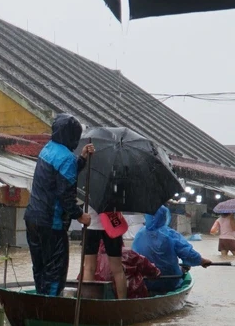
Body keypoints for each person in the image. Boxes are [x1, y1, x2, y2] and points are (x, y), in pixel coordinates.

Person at [25, 114, 94, 296]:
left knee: (39, 266)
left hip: (32, 219)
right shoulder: (67, 159)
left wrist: (82, 159)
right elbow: (66, 196)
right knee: (55, 269)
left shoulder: (47, 149)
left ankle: (41, 299)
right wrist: (81, 216)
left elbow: (58, 178)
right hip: (51, 224)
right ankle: (50, 305)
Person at [133, 205, 212, 294]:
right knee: (186, 266)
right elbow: (188, 254)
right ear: (165, 217)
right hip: (170, 280)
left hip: (144, 280)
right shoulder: (170, 234)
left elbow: (134, 256)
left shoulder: (139, 234)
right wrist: (202, 261)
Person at [82, 209, 129, 299]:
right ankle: (122, 303)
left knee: (89, 267)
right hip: (113, 222)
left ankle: (87, 303)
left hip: (90, 223)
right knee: (118, 269)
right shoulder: (113, 194)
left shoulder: (88, 194)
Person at [96, 242, 160, 299]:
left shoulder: (95, 258)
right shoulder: (127, 253)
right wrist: (156, 273)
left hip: (103, 298)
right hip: (133, 297)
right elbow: (149, 268)